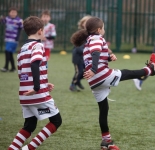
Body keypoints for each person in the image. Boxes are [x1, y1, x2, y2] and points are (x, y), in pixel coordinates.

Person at [70, 17, 155, 150]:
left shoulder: (89, 40)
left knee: (103, 110)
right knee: (126, 73)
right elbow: (95, 53)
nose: (104, 30)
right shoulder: (96, 38)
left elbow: (96, 55)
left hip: (94, 81)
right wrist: (94, 70)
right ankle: (149, 70)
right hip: (100, 75)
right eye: (103, 27)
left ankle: (106, 142)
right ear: (99, 30)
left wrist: (108, 57)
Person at [8, 16, 62, 150]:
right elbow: (35, 64)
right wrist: (37, 87)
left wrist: (44, 82)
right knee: (56, 121)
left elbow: (22, 73)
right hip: (37, 93)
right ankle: (28, 149)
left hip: (24, 94)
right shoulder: (37, 45)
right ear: (39, 31)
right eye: (43, 31)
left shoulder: (22, 49)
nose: (44, 34)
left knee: (30, 125)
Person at [70, 15, 92, 91]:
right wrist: (87, 52)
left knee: (86, 72)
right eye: (86, 22)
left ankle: (78, 81)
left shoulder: (90, 34)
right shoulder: (80, 34)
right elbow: (78, 47)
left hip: (84, 58)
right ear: (82, 24)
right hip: (78, 57)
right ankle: (72, 84)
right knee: (78, 72)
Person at [0, 7, 23, 72]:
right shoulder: (7, 19)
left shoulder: (19, 20)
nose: (13, 13)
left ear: (17, 13)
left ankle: (6, 67)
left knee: (7, 51)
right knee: (9, 53)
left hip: (14, 40)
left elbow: (22, 28)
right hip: (7, 39)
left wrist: (17, 38)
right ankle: (13, 68)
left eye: (14, 12)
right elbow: (1, 21)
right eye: (12, 12)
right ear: (9, 13)